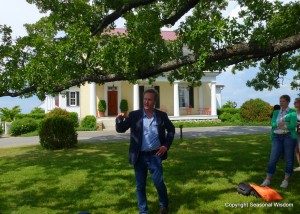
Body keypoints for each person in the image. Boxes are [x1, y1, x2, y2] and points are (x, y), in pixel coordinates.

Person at [115, 88, 175, 214]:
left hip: (155, 155)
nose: (146, 102)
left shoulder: (161, 116)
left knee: (158, 183)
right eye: (145, 99)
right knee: (140, 186)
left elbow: (171, 130)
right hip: (139, 156)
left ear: (154, 102)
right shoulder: (134, 115)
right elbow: (121, 129)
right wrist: (119, 120)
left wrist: (166, 146)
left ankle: (163, 206)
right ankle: (143, 211)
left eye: (149, 100)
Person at [260, 95, 297, 188]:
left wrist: (284, 125)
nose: (281, 103)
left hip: (288, 137)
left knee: (289, 159)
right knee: (272, 159)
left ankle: (286, 180)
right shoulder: (276, 112)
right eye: (280, 101)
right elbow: (272, 123)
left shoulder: (292, 112)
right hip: (277, 137)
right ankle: (268, 179)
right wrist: (284, 123)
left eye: (283, 101)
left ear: (288, 102)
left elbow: (293, 125)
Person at [293, 98, 300, 171]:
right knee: (296, 150)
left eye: (295, 102)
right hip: (296, 133)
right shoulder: (294, 113)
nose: (294, 104)